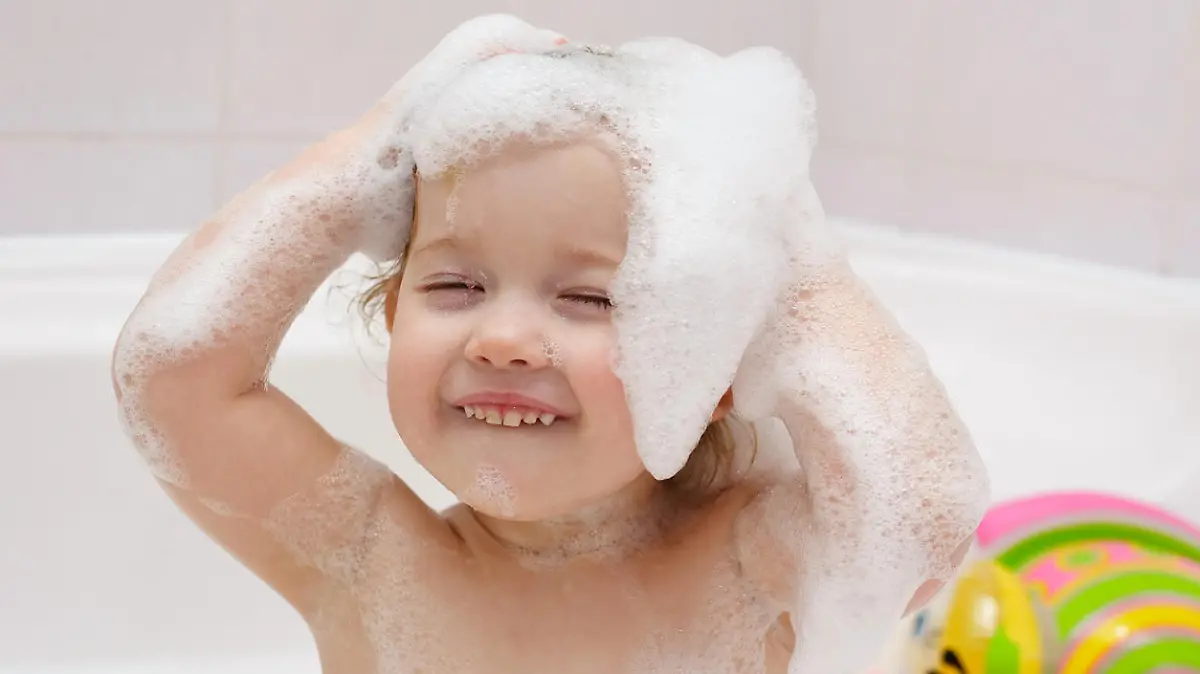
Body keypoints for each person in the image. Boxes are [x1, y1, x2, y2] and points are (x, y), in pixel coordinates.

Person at [110, 14, 987, 674]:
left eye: (588, 298)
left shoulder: (746, 565)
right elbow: (174, 377)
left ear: (713, 365)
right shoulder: (369, 558)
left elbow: (916, 514)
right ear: (389, 318)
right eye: (455, 286)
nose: (503, 339)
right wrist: (362, 161)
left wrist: (794, 271)